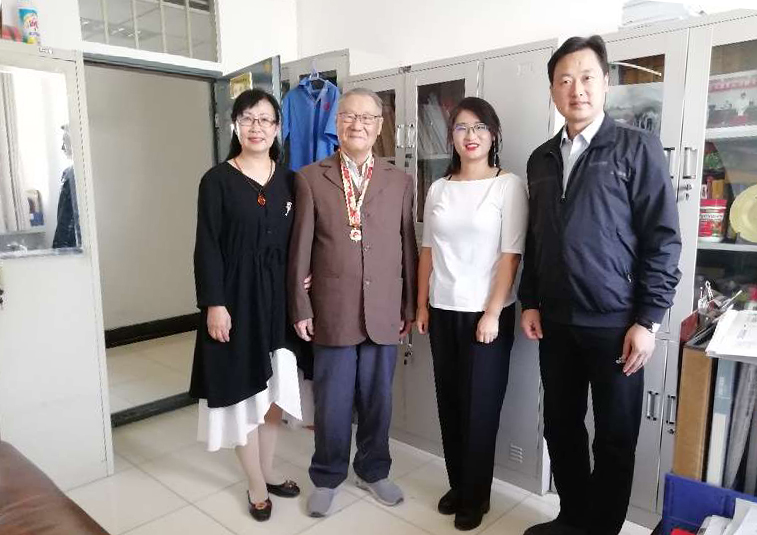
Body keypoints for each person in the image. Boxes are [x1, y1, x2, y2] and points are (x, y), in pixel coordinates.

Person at [519, 35, 681, 535]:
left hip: (617, 324)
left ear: (606, 83)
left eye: (587, 77)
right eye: (565, 80)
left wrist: (648, 320)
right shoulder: (541, 158)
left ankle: (602, 529)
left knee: (614, 436)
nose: (577, 89)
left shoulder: (636, 147)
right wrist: (529, 301)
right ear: (552, 89)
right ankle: (573, 519)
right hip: (556, 321)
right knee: (561, 426)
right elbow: (537, 236)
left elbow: (663, 239)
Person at [288, 87, 418, 517]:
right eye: (348, 116)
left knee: (379, 399)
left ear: (380, 127)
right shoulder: (310, 178)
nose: (357, 124)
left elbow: (407, 246)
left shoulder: (400, 181)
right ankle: (327, 476)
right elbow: (299, 248)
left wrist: (408, 306)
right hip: (333, 309)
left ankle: (373, 469)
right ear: (337, 123)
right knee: (333, 401)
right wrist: (301, 305)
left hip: (384, 310)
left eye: (366, 118)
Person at [189, 88, 303, 522]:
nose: (257, 127)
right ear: (235, 126)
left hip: (278, 302)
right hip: (236, 299)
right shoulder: (216, 180)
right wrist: (214, 304)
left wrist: (305, 276)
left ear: (277, 128)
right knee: (243, 395)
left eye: (265, 120)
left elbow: (301, 240)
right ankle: (255, 484)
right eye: (248, 119)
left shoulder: (291, 181)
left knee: (274, 393)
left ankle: (268, 471)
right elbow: (207, 246)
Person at [416, 97, 527, 531]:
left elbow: (511, 255)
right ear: (452, 137)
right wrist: (421, 304)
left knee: (480, 409)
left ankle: (476, 496)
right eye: (461, 127)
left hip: (486, 314)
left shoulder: (508, 185)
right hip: (442, 309)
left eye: (479, 127)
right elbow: (427, 250)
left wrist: (493, 313)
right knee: (450, 403)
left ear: (493, 134)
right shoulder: (439, 188)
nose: (471, 135)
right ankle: (458, 485)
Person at [52, 124, 80, 249]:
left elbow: (65, 218)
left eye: (65, 142)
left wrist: (58, 248)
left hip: (72, 244)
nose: (62, 147)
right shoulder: (70, 173)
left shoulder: (71, 174)